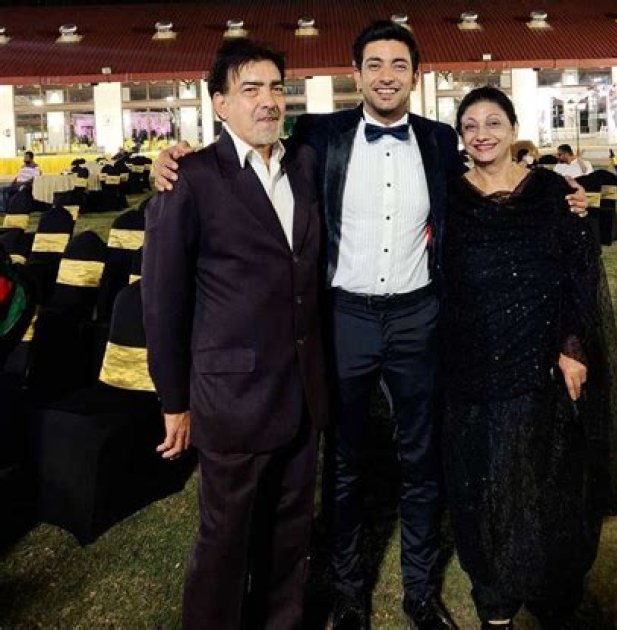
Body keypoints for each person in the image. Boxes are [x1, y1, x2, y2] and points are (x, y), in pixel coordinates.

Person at [153, 22, 588, 630]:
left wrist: (560, 196)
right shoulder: (316, 137)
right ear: (355, 75)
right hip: (344, 318)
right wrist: (171, 159)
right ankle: (347, 593)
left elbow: (494, 188)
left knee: (422, 460)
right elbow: (247, 148)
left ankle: (420, 592)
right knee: (343, 460)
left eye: (399, 65)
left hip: (418, 317)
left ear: (416, 76)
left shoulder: (439, 141)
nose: (387, 76)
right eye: (374, 65)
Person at [141, 38, 327, 629]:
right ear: (220, 103)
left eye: (276, 87)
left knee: (290, 534)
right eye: (250, 90)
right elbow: (162, 300)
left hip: (302, 391)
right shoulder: (190, 177)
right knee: (224, 546)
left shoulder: (305, 163)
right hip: (231, 398)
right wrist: (174, 400)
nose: (268, 100)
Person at [441, 87, 617, 629]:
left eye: (493, 122)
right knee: (481, 480)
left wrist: (573, 346)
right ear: (461, 136)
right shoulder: (448, 196)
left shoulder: (552, 193)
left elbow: (578, 270)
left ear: (514, 127)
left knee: (543, 479)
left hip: (540, 361)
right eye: (470, 126)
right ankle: (493, 598)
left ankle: (547, 589)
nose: (482, 134)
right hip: (470, 361)